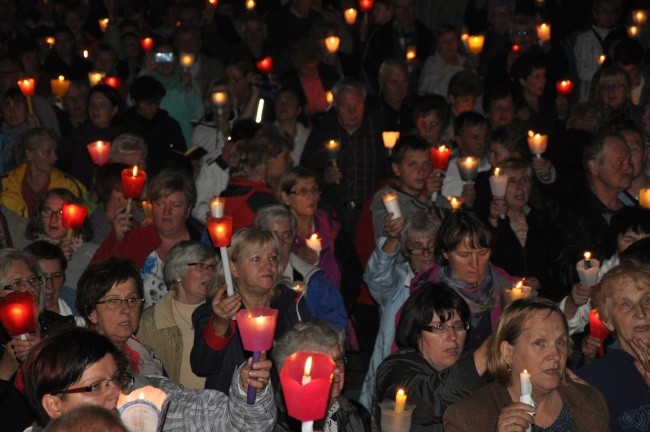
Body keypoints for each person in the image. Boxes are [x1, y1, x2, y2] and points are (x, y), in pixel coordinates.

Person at [23, 326, 276, 432]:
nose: (115, 393)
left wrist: (248, 390)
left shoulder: (145, 406)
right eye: (96, 386)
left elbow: (236, 425)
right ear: (54, 405)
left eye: (116, 379)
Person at [443, 298, 610, 431]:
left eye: (560, 342)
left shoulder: (588, 400)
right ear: (508, 352)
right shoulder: (467, 418)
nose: (556, 355)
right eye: (539, 343)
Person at [191, 226, 311, 394]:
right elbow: (202, 365)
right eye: (256, 259)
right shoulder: (216, 311)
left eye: (273, 258)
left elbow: (310, 360)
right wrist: (220, 324)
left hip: (282, 410)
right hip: (230, 411)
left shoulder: (292, 304)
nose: (268, 265)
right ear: (234, 268)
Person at [372, 283, 489, 431]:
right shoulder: (394, 368)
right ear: (416, 333)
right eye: (440, 327)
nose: (453, 337)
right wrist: (485, 354)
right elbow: (424, 402)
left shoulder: (478, 370)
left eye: (458, 326)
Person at [359, 211, 441, 409]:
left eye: (431, 245)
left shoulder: (447, 281)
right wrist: (393, 237)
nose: (426, 252)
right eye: (417, 246)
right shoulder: (397, 281)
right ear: (406, 251)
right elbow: (377, 276)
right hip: (393, 374)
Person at [92, 168, 200, 307]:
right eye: (160, 204)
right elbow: (96, 278)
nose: (167, 212)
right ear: (151, 206)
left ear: (188, 209)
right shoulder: (139, 237)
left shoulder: (201, 243)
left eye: (176, 205)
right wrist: (117, 238)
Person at [412, 211, 517, 351]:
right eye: (464, 254)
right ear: (445, 252)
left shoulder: (508, 288)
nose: (474, 264)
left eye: (482, 253)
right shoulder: (425, 291)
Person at [550, 130, 634, 301]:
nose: (629, 168)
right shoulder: (571, 213)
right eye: (620, 163)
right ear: (594, 166)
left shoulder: (633, 210)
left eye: (629, 161)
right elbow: (568, 271)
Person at [300, 78, 386, 237]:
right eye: (346, 106)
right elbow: (304, 171)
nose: (352, 112)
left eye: (357, 105)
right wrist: (323, 177)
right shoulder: (323, 130)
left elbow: (388, 169)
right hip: (334, 212)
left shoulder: (377, 129)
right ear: (336, 105)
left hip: (370, 212)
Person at [137, 241, 217, 388]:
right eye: (202, 266)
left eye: (212, 267)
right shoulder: (150, 321)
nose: (210, 273)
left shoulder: (222, 314)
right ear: (177, 273)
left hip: (215, 406)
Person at [254, 205, 347, 330]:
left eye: (286, 236)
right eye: (273, 236)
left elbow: (334, 327)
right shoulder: (247, 274)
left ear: (293, 239)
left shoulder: (313, 281)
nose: (280, 243)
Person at [272, 321, 366, 432]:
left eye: (338, 359)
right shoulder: (275, 422)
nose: (336, 370)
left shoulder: (352, 414)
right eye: (323, 364)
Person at [487, 158, 549, 295]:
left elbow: (553, 261)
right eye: (512, 181)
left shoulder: (541, 219)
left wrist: (541, 280)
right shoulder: (490, 221)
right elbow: (486, 260)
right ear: (500, 185)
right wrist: (493, 220)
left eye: (524, 180)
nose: (520, 187)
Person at [1, 128, 87, 218]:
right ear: (29, 154)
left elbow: (84, 221)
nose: (54, 158)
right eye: (47, 152)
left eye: (55, 152)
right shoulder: (5, 184)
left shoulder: (70, 186)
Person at [57, 84, 126, 189]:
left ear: (114, 109)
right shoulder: (76, 136)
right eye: (92, 104)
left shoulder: (123, 138)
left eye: (101, 105)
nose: (95, 109)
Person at [25, 189, 96, 290]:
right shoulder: (27, 254)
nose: (53, 219)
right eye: (47, 211)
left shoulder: (92, 254)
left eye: (61, 212)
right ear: (39, 216)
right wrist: (55, 256)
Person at [23, 241, 84, 326]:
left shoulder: (80, 305)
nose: (49, 285)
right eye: (42, 278)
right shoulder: (19, 319)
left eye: (56, 276)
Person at [419, 25, 468, 98]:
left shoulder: (465, 61)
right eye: (445, 42)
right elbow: (433, 92)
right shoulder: (431, 65)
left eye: (453, 40)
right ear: (437, 45)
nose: (450, 45)